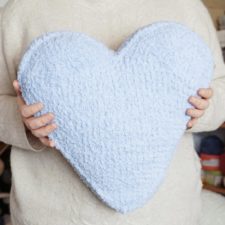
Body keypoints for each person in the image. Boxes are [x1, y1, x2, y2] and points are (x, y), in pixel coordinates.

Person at [0, 0, 224, 224]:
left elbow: (219, 87)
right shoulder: (22, 12)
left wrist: (202, 109)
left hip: (166, 213)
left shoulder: (184, 7)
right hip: (53, 214)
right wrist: (22, 121)